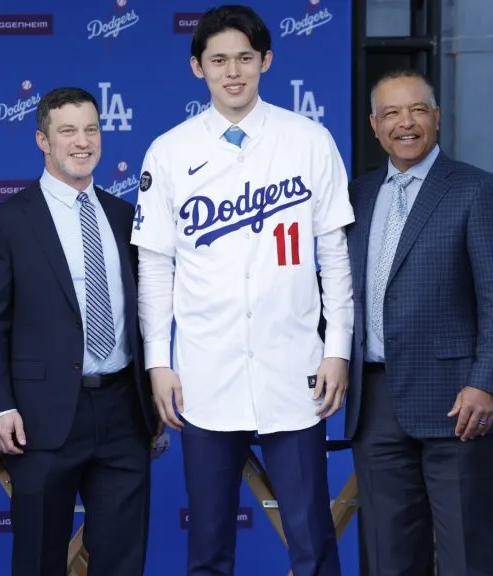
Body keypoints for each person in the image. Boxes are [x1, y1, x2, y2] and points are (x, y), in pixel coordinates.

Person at [130, 5, 353, 575]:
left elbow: (334, 255)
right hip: (205, 372)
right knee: (208, 547)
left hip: (295, 367)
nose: (233, 72)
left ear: (266, 61)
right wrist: (158, 361)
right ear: (197, 67)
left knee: (312, 539)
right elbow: (155, 268)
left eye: (245, 58)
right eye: (219, 60)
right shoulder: (170, 151)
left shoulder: (309, 140)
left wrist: (337, 349)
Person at [0, 86, 159, 576]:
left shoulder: (125, 217)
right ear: (43, 140)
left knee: (123, 561)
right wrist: (0, 407)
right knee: (38, 560)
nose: (83, 141)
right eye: (68, 131)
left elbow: (146, 312)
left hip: (124, 413)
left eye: (91, 129)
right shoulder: (5, 223)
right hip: (41, 417)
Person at [344, 68, 493, 576]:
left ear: (437, 118)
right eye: (392, 113)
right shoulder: (356, 196)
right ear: (375, 125)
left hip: (458, 402)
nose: (406, 122)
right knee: (390, 559)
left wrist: (485, 384)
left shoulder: (478, 190)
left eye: (418, 110)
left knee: (466, 557)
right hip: (375, 402)